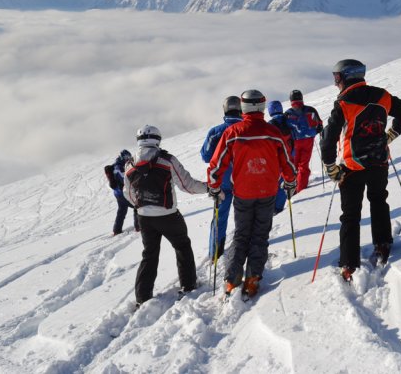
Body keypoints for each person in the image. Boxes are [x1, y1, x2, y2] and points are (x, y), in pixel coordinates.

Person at [320, 59, 401, 281]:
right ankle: (382, 244)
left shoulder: (344, 103)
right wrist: (391, 135)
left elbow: (328, 139)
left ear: (346, 77)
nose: (335, 83)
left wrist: (331, 167)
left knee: (350, 216)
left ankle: (349, 264)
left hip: (352, 167)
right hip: (379, 162)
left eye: (337, 78)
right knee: (379, 200)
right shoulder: (382, 96)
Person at [207, 90, 296, 298]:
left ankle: (231, 279)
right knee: (260, 235)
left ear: (244, 107)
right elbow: (287, 163)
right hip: (267, 192)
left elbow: (216, 163)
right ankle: (253, 278)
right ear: (262, 107)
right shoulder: (273, 133)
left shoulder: (233, 132)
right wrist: (290, 182)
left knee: (241, 234)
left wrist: (214, 185)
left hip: (243, 193)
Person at [124, 125, 209, 307]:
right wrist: (209, 187)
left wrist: (142, 207)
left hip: (144, 217)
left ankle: (143, 297)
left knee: (149, 254)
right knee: (182, 246)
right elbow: (188, 185)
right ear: (157, 139)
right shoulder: (166, 160)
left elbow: (129, 194)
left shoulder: (129, 164)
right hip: (168, 215)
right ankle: (188, 285)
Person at [200, 95, 242, 259]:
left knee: (219, 218)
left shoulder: (216, 132)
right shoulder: (246, 128)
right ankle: (244, 246)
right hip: (243, 181)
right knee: (244, 216)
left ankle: (215, 253)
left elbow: (205, 156)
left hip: (222, 182)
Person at [284, 90, 324, 193]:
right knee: (303, 165)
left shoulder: (288, 113)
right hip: (308, 140)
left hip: (294, 142)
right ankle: (300, 188)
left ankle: (293, 187)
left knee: (293, 165)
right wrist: (316, 130)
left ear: (291, 100)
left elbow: (284, 129)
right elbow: (319, 124)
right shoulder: (310, 110)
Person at [267, 100, 296, 214]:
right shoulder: (288, 121)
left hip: (275, 158)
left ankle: (272, 207)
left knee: (274, 181)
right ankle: (279, 206)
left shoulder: (269, 125)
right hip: (289, 156)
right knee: (286, 180)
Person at [104, 149, 139, 234]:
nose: (128, 159)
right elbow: (124, 178)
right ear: (122, 157)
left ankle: (117, 230)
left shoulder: (116, 165)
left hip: (118, 194)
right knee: (137, 206)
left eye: (129, 157)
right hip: (123, 193)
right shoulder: (118, 167)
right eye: (127, 157)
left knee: (121, 211)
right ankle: (139, 227)